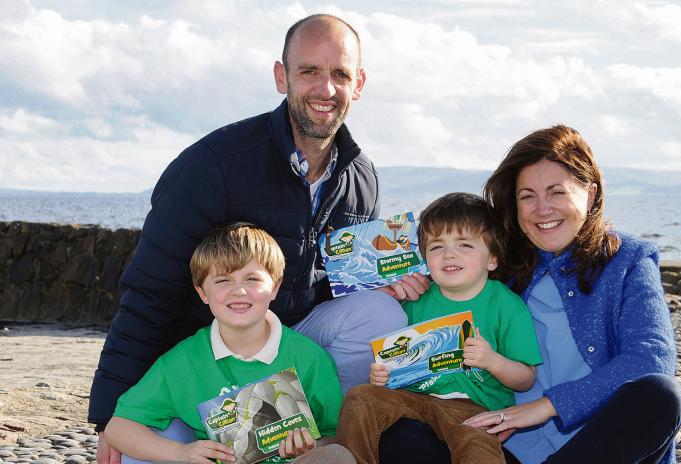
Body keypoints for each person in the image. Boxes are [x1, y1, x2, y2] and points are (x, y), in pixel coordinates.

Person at [90, 14, 428, 464]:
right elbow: (149, 289)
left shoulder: (361, 178)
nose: (325, 89)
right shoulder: (213, 165)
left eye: (340, 74)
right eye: (309, 71)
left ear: (359, 83)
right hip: (203, 361)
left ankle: (319, 437)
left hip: (287, 345)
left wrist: (382, 284)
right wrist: (109, 417)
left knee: (380, 310)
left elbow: (339, 284)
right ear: (280, 76)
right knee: (140, 456)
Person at [461, 125, 681, 463]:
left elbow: (651, 357)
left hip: (599, 447)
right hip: (506, 449)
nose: (542, 209)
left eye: (557, 192)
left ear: (591, 194)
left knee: (663, 395)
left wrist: (550, 406)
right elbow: (440, 265)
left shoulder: (628, 260)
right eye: (527, 196)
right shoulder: (494, 265)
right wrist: (404, 283)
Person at [104, 223, 353, 463]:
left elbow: (336, 435)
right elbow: (119, 426)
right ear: (202, 292)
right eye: (223, 280)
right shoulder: (183, 362)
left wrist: (309, 448)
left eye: (252, 279)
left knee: (338, 457)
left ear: (275, 287)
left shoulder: (309, 357)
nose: (239, 291)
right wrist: (182, 452)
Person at [338, 193, 543, 464]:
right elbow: (398, 358)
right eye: (436, 247)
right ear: (425, 259)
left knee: (478, 448)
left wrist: (491, 360)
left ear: (492, 258)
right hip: (413, 397)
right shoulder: (415, 302)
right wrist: (381, 375)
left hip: (474, 409)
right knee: (360, 397)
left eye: (464, 245)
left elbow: (526, 378)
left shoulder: (506, 306)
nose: (449, 254)